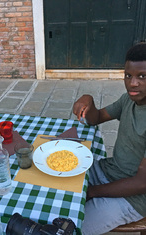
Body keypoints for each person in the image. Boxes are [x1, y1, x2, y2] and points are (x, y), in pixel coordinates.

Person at [73, 43, 146, 234]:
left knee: (72, 226)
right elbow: (96, 118)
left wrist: (93, 193)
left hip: (136, 198)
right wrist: (88, 100)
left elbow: (141, 183)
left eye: (142, 76)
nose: (133, 83)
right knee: (58, 179)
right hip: (111, 170)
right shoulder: (128, 99)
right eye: (128, 75)